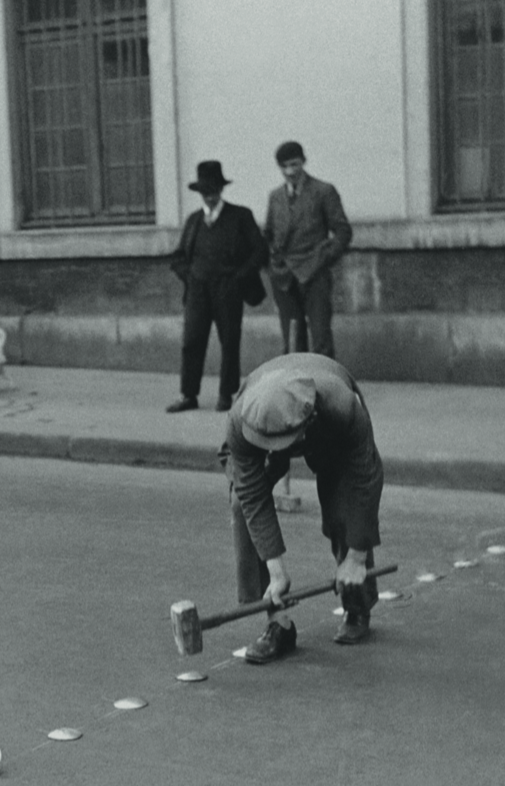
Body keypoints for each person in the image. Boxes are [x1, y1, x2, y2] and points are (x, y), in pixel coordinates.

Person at [223, 353, 383, 664]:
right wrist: (276, 569)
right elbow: (253, 496)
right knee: (241, 504)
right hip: (260, 419)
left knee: (342, 506)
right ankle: (277, 621)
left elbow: (366, 478)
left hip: (328, 431)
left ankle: (357, 603)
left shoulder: (343, 406)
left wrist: (357, 556)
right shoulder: (239, 420)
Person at [166, 160, 268, 414]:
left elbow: (260, 251)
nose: (210, 196)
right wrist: (189, 277)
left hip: (228, 290)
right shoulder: (194, 221)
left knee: (230, 342)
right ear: (199, 193)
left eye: (214, 191)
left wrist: (238, 277)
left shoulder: (240, 216)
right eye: (205, 192)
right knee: (192, 341)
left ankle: (226, 394)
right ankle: (188, 394)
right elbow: (178, 257)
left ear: (222, 190)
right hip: (198, 292)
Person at [262, 141, 352, 358]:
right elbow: (269, 233)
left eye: (294, 165)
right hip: (284, 277)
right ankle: (296, 386)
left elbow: (342, 231)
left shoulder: (323, 191)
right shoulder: (276, 197)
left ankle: (325, 386)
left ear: (304, 162)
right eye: (285, 167)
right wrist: (271, 264)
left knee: (320, 335)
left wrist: (325, 257)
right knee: (292, 337)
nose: (290, 171)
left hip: (314, 272)